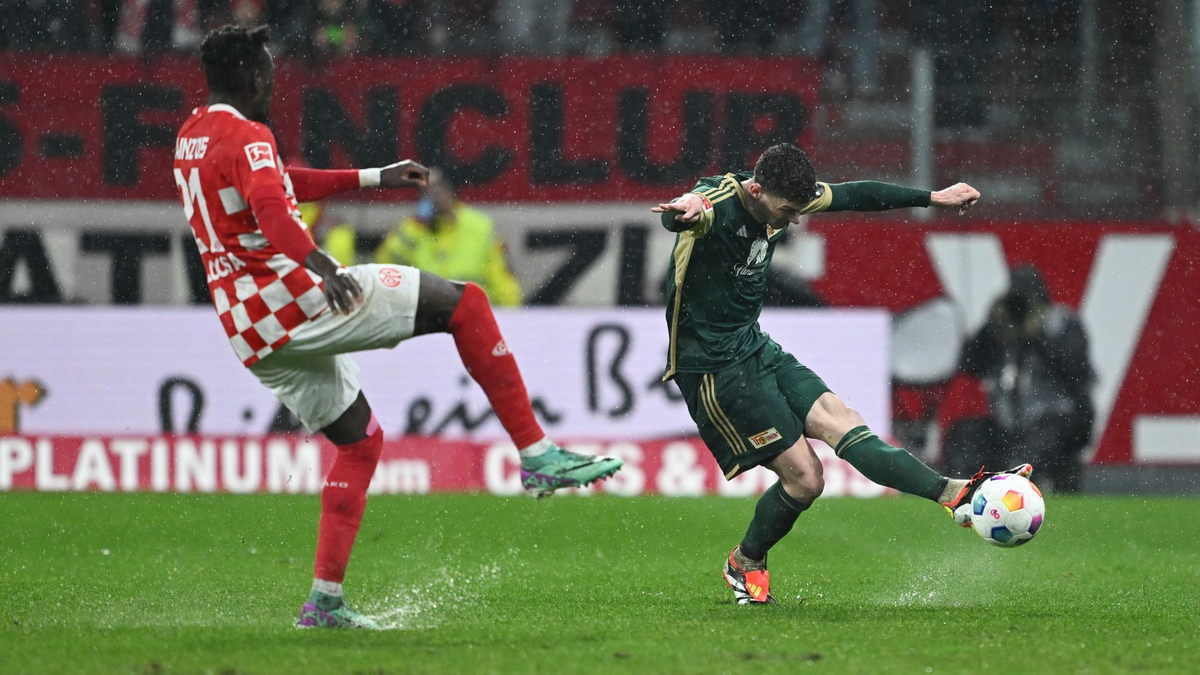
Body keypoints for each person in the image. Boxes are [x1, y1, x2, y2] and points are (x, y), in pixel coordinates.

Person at [175, 25, 621, 629]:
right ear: (254, 76)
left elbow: (278, 185)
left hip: (248, 331)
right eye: (270, 72)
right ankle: (537, 453)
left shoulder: (193, 136)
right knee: (467, 305)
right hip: (295, 299)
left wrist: (372, 177)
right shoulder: (250, 135)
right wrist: (324, 266)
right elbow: (275, 211)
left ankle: (324, 603)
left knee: (359, 443)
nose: (275, 82)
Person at [651, 143, 1030, 605]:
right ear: (756, 190)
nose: (793, 220)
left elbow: (856, 195)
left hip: (753, 345)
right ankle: (746, 560)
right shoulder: (719, 204)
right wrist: (685, 210)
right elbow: (693, 209)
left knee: (841, 420)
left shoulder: (784, 196)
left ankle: (955, 495)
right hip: (712, 368)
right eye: (788, 211)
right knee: (806, 480)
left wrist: (932, 198)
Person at [952, 265, 1094, 493]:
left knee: (1036, 444)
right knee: (964, 436)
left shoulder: (1063, 323)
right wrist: (991, 329)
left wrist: (1037, 336)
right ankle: (963, 497)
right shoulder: (1002, 327)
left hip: (1056, 421)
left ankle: (1017, 498)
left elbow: (1075, 369)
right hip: (1006, 425)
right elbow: (970, 364)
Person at [375, 170, 522, 306]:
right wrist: (417, 225)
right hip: (426, 316)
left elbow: (501, 276)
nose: (435, 197)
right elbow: (385, 265)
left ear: (450, 191)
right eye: (427, 192)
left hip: (471, 313)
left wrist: (510, 313)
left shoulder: (479, 226)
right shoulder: (413, 228)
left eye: (438, 189)